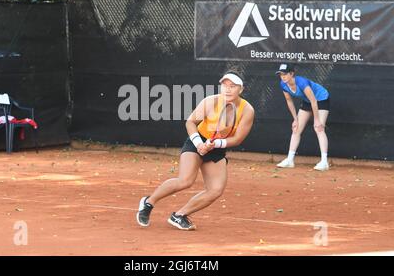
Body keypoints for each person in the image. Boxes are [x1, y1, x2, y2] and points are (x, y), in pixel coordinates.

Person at [136, 71, 255, 230]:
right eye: (224, 85)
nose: (227, 89)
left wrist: (216, 144)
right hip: (196, 141)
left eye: (232, 86)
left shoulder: (247, 110)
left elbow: (238, 138)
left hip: (217, 148)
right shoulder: (210, 102)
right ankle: (148, 202)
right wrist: (199, 143)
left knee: (216, 190)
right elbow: (190, 122)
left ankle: (179, 215)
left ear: (240, 89)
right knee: (185, 180)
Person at [275, 63, 330, 171]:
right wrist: (295, 119)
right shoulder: (283, 84)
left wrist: (317, 119)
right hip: (307, 101)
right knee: (296, 128)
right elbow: (289, 101)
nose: (283, 77)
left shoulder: (302, 82)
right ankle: (290, 160)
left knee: (319, 128)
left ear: (292, 74)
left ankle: (324, 162)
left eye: (285, 74)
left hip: (321, 98)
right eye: (281, 74)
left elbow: (314, 101)